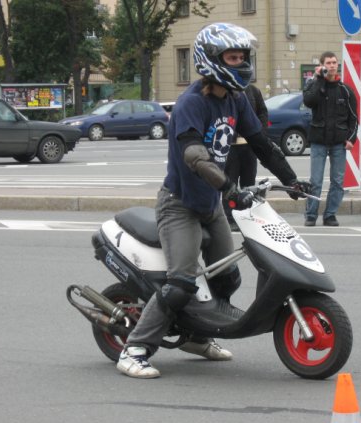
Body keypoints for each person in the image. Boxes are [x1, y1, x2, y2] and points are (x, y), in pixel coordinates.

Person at [116, 23, 309, 379]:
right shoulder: (192, 103)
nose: (241, 63)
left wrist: (291, 179)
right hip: (180, 205)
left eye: (243, 57)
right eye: (233, 57)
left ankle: (197, 337)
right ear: (211, 60)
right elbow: (195, 156)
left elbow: (261, 143)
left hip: (211, 205)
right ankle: (135, 349)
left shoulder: (236, 98)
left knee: (227, 278)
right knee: (181, 284)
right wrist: (230, 188)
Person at [302, 51, 358, 227]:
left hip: (339, 143)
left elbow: (354, 118)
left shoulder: (345, 90)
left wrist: (351, 139)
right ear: (322, 65)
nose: (332, 65)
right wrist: (319, 79)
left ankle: (330, 215)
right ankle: (311, 215)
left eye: (334, 62)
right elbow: (309, 101)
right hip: (318, 141)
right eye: (328, 63)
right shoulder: (314, 85)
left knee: (337, 181)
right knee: (316, 181)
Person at [222, 83, 268, 231]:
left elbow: (263, 112)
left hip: (249, 146)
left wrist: (260, 132)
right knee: (230, 183)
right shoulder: (226, 90)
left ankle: (245, 215)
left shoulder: (253, 91)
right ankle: (230, 217)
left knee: (248, 183)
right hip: (231, 146)